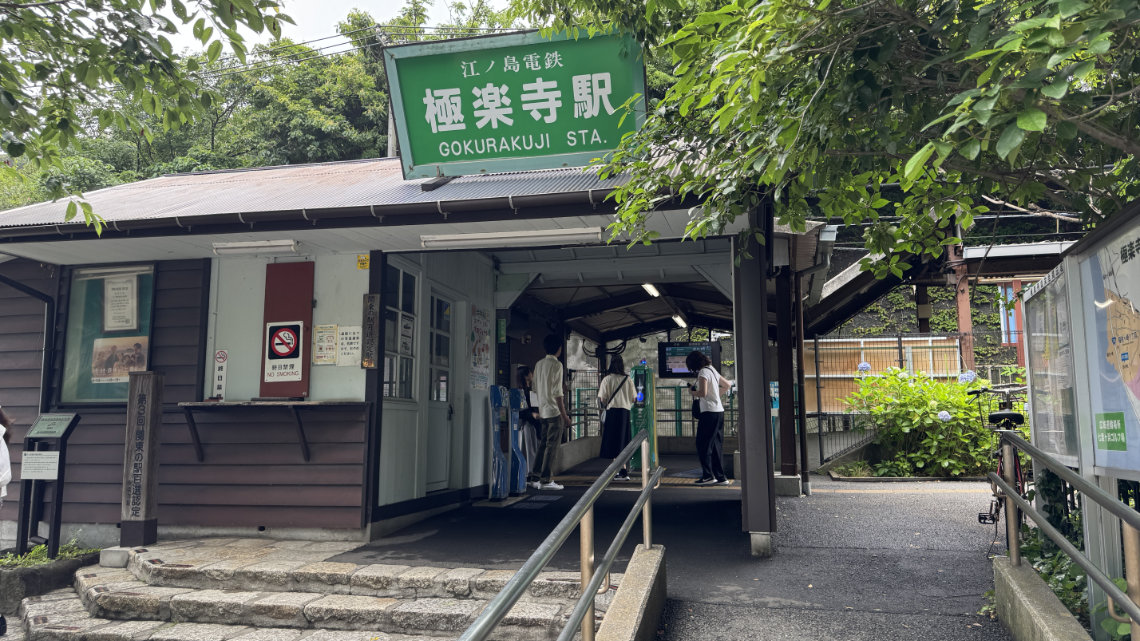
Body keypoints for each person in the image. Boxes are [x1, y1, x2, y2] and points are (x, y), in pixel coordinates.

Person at [531, 334, 570, 490]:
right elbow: (557, 393)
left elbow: (534, 390)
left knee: (543, 445)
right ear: (559, 349)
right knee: (551, 447)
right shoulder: (557, 365)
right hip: (553, 411)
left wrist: (538, 409)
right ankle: (546, 480)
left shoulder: (538, 364)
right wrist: (564, 415)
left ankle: (535, 477)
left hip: (542, 411)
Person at [687, 350, 732, 486]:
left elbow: (703, 392)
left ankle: (707, 475)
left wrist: (692, 392)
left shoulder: (703, 372)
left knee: (703, 444)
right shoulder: (711, 369)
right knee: (716, 445)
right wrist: (716, 396)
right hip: (719, 412)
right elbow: (727, 385)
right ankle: (721, 477)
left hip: (709, 413)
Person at [597, 355, 636, 481]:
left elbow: (602, 398)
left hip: (612, 412)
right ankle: (622, 470)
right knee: (622, 442)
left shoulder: (607, 379)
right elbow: (634, 398)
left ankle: (621, 471)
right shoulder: (628, 379)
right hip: (625, 413)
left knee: (613, 442)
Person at [517, 365, 541, 486]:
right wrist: (533, 414)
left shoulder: (528, 389)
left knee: (531, 448)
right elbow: (522, 410)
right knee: (530, 448)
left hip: (532, 423)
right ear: (527, 375)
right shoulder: (523, 391)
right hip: (528, 423)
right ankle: (530, 474)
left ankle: (532, 474)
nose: (532, 375)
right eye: (531, 373)